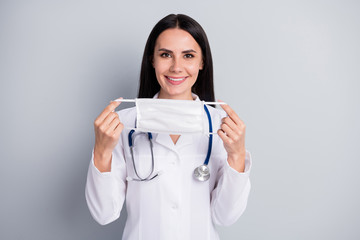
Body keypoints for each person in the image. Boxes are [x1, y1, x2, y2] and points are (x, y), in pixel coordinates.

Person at [85, 14, 252, 240]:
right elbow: (104, 213)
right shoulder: (123, 125)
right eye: (165, 55)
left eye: (188, 56)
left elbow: (226, 217)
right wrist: (102, 151)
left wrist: (237, 155)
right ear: (152, 59)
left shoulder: (221, 127)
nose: (176, 67)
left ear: (202, 62)